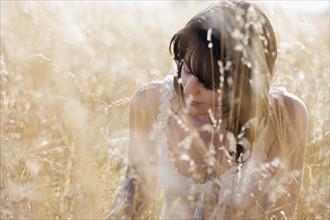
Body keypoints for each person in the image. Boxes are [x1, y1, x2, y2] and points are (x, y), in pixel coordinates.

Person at [108, 0, 308, 219]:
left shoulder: (286, 115)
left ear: (244, 86)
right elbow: (132, 199)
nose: (189, 89)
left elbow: (276, 213)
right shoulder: (150, 102)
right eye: (186, 69)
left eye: (208, 82)